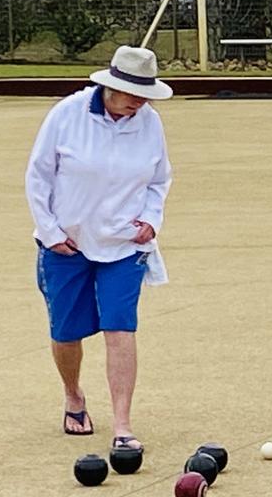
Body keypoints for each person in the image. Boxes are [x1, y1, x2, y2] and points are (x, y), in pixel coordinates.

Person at [25, 45, 173, 453]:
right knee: (66, 331)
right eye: (131, 94)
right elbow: (38, 176)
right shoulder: (66, 115)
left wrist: (150, 219)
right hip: (67, 243)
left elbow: (159, 180)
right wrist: (50, 230)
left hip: (124, 243)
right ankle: (73, 394)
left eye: (145, 95)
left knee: (120, 328)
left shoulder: (149, 122)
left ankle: (122, 424)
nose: (138, 102)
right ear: (109, 86)